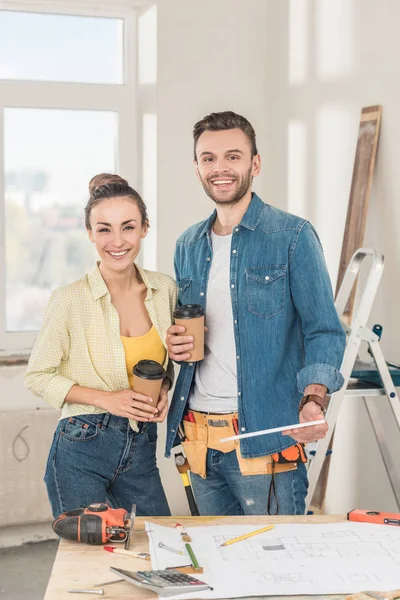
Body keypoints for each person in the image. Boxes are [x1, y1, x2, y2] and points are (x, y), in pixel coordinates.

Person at [165, 111, 346, 516]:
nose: (220, 168)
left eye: (233, 156)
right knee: (217, 567)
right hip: (198, 436)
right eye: (208, 158)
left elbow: (325, 331)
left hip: (265, 437)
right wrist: (174, 342)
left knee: (278, 571)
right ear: (197, 168)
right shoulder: (187, 244)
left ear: (255, 164)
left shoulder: (292, 236)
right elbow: (190, 332)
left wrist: (314, 398)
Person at [25, 173, 177, 518]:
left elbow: (164, 363)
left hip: (140, 447)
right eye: (104, 229)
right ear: (90, 233)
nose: (117, 240)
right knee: (92, 564)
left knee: (158, 547)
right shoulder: (69, 299)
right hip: (81, 449)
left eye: (128, 226)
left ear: (144, 228)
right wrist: (108, 399)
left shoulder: (164, 290)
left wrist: (164, 387)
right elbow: (37, 376)